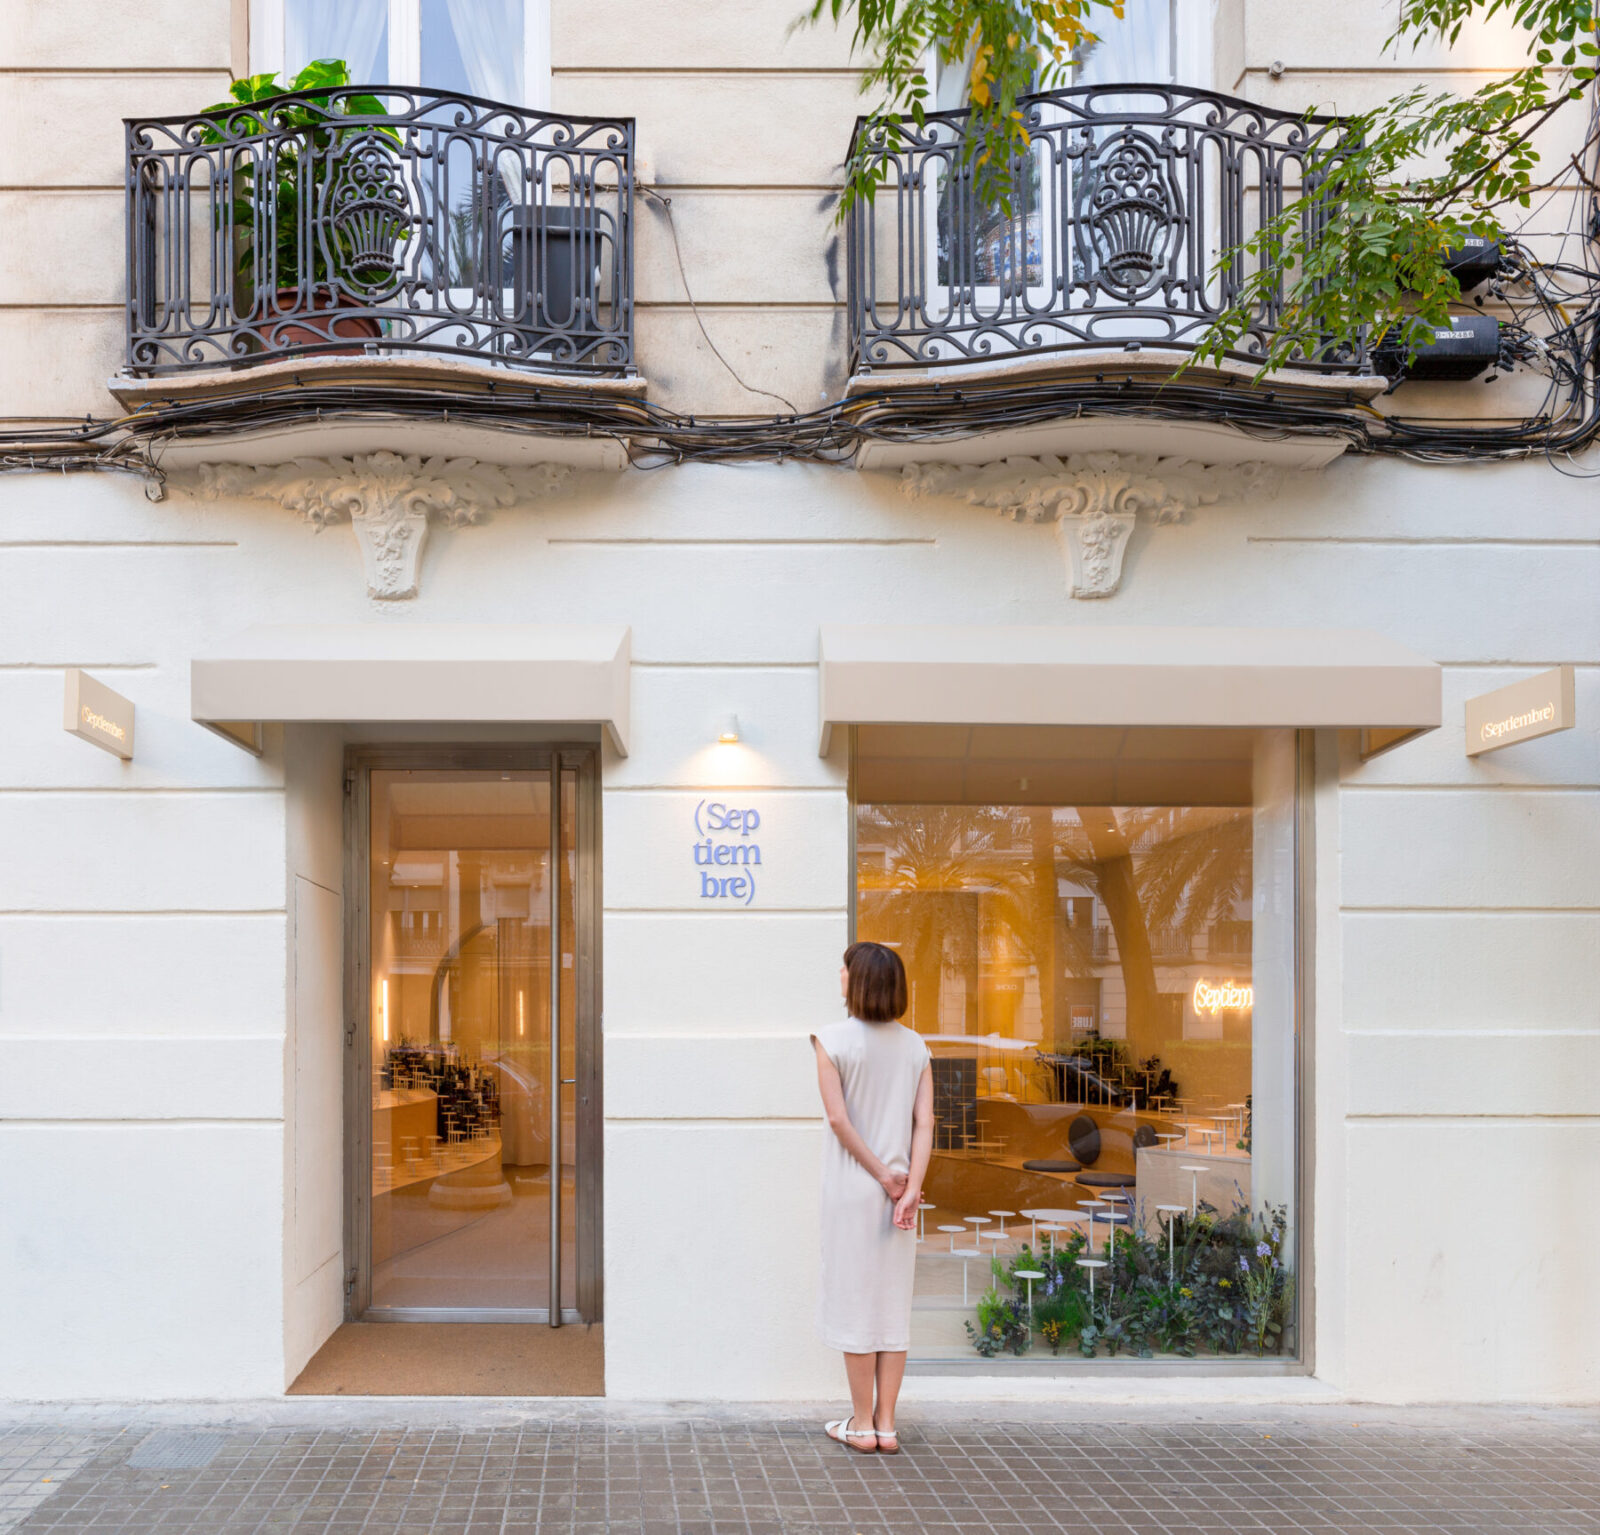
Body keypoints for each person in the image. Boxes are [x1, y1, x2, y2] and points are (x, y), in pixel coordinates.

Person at [811, 941, 934, 1455]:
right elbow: (924, 1123)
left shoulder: (831, 1040)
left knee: (855, 1305)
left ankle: (860, 1424)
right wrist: (910, 1187)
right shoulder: (916, 1047)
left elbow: (839, 1119)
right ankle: (886, 1424)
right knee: (890, 1308)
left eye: (845, 968)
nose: (839, 973)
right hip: (901, 1195)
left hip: (854, 1190)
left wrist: (882, 1175)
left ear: (857, 981)